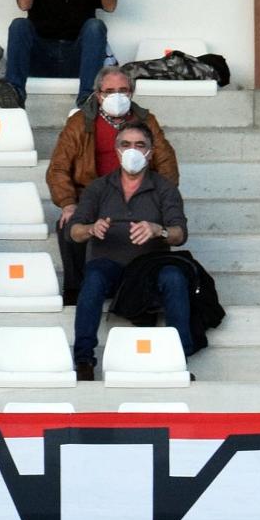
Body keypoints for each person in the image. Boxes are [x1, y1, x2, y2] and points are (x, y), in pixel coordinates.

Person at [47, 66, 179, 305]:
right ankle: (76, 290)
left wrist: (160, 199)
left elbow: (167, 163)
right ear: (98, 94)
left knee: (157, 226)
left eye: (123, 90)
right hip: (92, 196)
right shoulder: (80, 122)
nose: (117, 96)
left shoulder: (146, 120)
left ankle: (144, 287)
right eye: (109, 91)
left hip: (137, 194)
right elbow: (58, 167)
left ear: (132, 92)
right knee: (68, 224)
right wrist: (68, 203)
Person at [68, 120, 189, 380]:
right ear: (116, 149)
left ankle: (179, 358)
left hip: (149, 266)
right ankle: (84, 360)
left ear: (151, 151)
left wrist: (159, 230)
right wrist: (92, 228)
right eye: (125, 144)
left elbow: (180, 234)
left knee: (174, 277)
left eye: (139, 145)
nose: (132, 150)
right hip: (107, 264)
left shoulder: (165, 188)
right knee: (93, 277)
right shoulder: (98, 187)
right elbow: (74, 231)